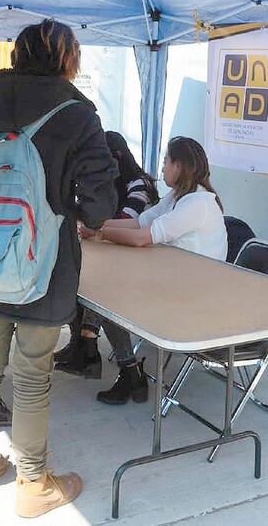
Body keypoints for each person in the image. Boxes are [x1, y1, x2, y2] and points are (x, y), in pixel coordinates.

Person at [0, 20, 117, 518]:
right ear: (67, 56)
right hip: (43, 265)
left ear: (17, 52)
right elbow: (98, 203)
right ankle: (33, 483)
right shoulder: (76, 112)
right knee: (31, 377)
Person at [55, 130, 160, 404]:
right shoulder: (112, 182)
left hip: (142, 266)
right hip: (116, 255)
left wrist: (96, 225)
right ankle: (82, 345)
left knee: (105, 296)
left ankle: (122, 366)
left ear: (119, 157)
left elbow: (129, 218)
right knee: (77, 282)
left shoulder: (139, 185)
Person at [91, 136, 227, 260]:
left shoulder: (198, 204)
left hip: (197, 279)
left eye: (165, 162)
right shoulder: (176, 195)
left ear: (178, 166)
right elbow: (139, 223)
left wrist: (98, 232)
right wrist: (93, 224)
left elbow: (141, 237)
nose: (162, 169)